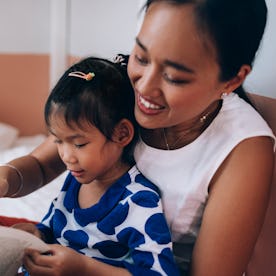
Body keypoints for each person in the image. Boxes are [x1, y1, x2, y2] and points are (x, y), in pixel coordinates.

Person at [0, 0, 275, 275]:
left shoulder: (244, 149)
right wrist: (7, 178)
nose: (143, 86)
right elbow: (41, 164)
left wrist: (83, 270)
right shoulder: (116, 86)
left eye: (174, 77)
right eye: (141, 57)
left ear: (231, 81)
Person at [11, 56, 179, 276]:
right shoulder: (75, 180)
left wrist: (84, 268)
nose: (66, 156)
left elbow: (161, 273)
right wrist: (37, 234)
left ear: (122, 134)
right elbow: (53, 228)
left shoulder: (138, 201)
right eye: (59, 141)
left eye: (79, 144)